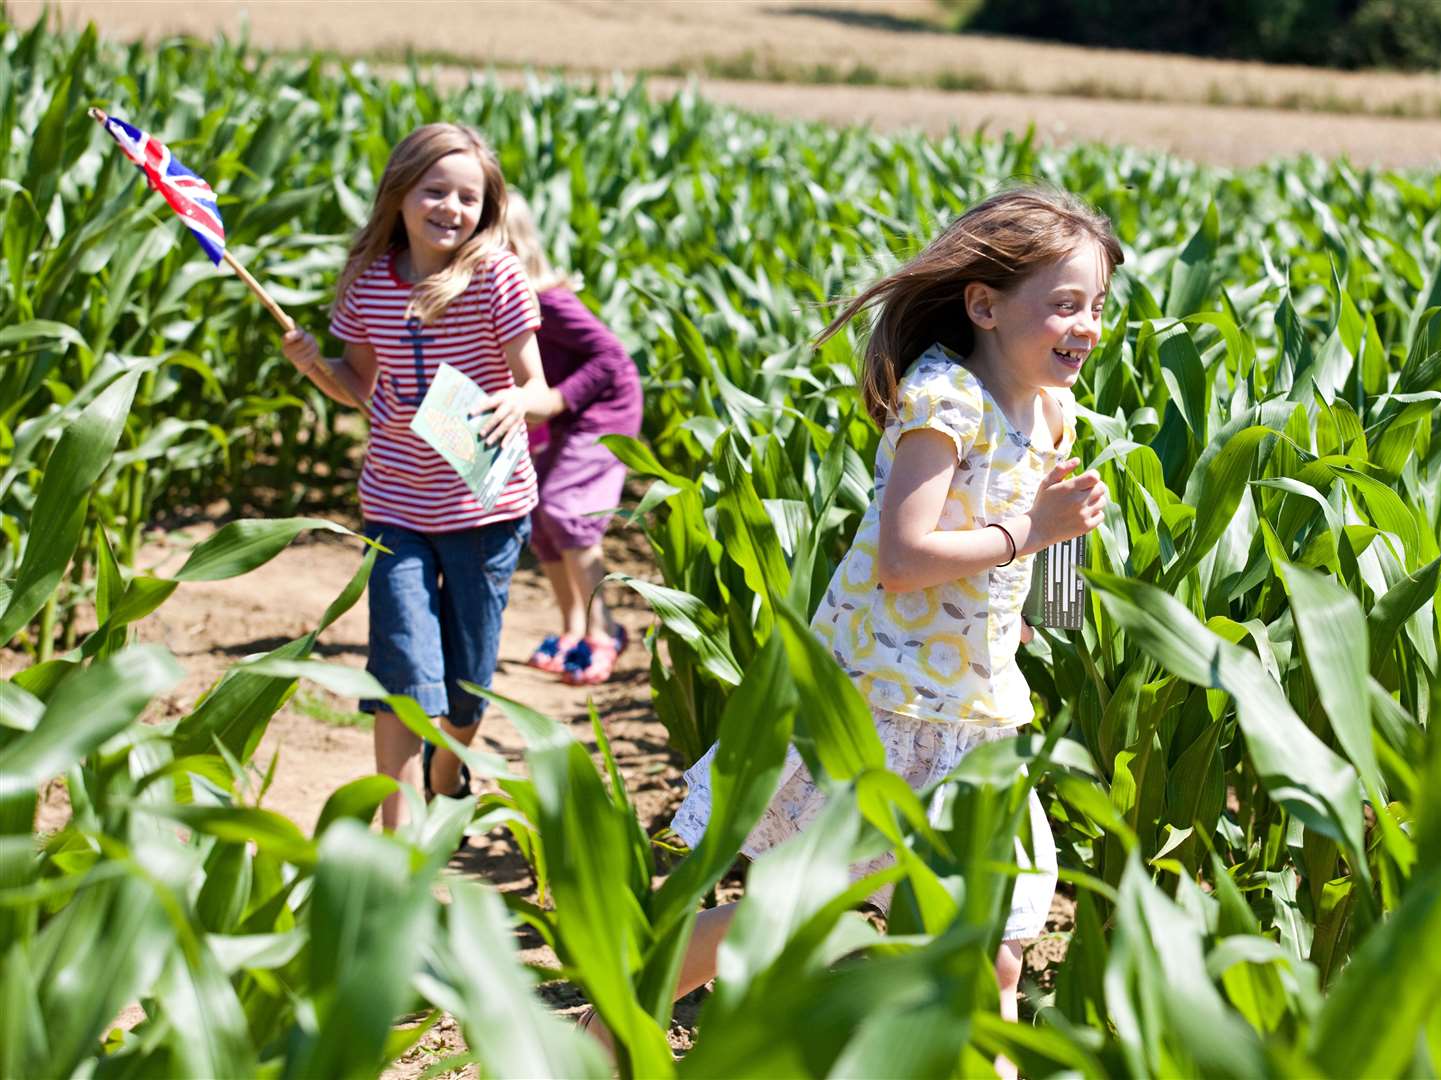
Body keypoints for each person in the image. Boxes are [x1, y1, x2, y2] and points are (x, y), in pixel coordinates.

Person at [593, 188, 1119, 1070]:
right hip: (881, 707)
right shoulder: (943, 400)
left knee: (995, 942)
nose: (1087, 325)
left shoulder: (1051, 409)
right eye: (1064, 303)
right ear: (983, 305)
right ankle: (602, 1028)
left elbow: (1021, 536)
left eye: (1097, 305)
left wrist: (1029, 605)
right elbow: (903, 557)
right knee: (790, 913)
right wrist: (1036, 530)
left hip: (976, 709)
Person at [280, 123, 563, 829]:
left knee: (467, 683)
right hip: (396, 507)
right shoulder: (368, 285)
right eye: (434, 190)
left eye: (468, 196)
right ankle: (396, 845)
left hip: (484, 507)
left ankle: (449, 763)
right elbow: (358, 386)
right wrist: (315, 363)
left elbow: (541, 388)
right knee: (401, 674)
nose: (450, 208)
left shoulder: (495, 276)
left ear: (486, 207)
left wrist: (513, 400)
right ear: (399, 195)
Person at [501, 193, 643, 686]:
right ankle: (572, 628)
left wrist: (558, 401)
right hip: (562, 412)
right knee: (539, 516)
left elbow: (611, 357)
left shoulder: (547, 299)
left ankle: (604, 631)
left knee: (566, 509)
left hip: (604, 410)